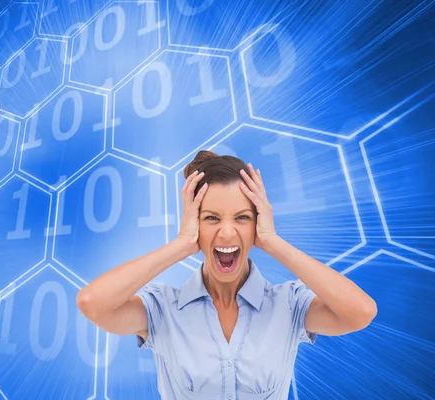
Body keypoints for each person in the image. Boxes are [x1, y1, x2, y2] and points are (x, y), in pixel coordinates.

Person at [77, 150, 378, 400]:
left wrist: (273, 241)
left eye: (242, 217)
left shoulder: (288, 304)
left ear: (257, 223)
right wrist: (181, 245)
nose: (226, 232)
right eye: (211, 218)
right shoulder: (163, 309)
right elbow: (92, 303)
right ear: (195, 223)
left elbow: (360, 312)